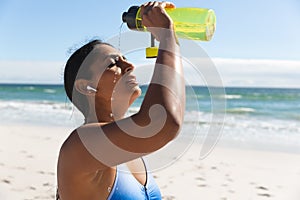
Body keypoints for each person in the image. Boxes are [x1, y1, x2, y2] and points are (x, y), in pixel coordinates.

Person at [57, 1, 185, 200]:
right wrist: (168, 37)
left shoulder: (126, 146)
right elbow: (165, 121)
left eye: (124, 58)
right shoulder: (80, 146)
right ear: (85, 86)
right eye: (113, 63)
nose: (129, 65)